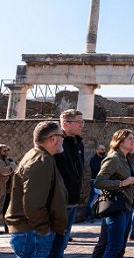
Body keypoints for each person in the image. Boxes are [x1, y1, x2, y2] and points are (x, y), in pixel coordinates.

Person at [5, 121, 68, 258]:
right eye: (62, 135)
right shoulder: (41, 160)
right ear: (53, 139)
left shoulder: (41, 157)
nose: (63, 138)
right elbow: (33, 203)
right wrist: (43, 229)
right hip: (33, 233)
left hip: (32, 232)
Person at [92, 129, 134, 258]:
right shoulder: (113, 159)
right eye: (130, 139)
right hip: (116, 206)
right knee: (114, 246)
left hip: (127, 206)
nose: (133, 141)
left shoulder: (127, 158)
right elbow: (99, 182)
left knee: (118, 246)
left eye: (133, 139)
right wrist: (121, 183)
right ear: (120, 141)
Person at [49, 109, 85, 258]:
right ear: (65, 123)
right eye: (79, 122)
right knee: (51, 245)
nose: (82, 125)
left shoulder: (78, 143)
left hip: (72, 201)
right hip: (58, 203)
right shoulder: (55, 143)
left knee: (62, 245)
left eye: (83, 122)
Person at [84, 145, 106, 222]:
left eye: (104, 149)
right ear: (97, 150)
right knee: (92, 200)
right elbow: (95, 169)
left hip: (103, 182)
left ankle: (98, 215)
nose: (103, 151)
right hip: (95, 182)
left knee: (101, 199)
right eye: (101, 149)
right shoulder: (93, 160)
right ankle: (87, 216)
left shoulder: (104, 159)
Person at [0, 144, 18, 233]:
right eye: (4, 150)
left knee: (7, 209)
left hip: (8, 190)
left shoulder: (7, 160)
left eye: (7, 150)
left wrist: (12, 165)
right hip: (1, 189)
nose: (6, 152)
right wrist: (12, 166)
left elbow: (16, 170)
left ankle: (7, 228)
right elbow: (4, 171)